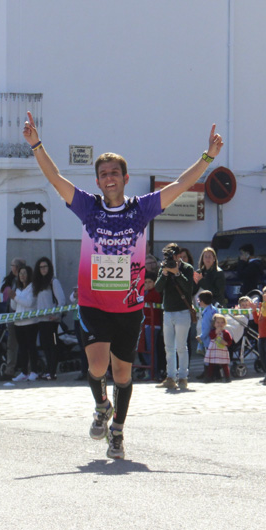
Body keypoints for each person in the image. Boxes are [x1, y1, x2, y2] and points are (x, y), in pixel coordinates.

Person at [23, 110, 222, 459]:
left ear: (125, 178)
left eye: (115, 172)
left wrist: (207, 157)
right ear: (98, 181)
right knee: (98, 368)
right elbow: (55, 178)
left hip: (129, 307)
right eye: (103, 174)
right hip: (93, 304)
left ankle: (117, 431)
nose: (109, 177)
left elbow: (180, 186)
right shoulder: (88, 207)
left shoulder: (140, 209)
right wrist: (36, 144)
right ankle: (101, 405)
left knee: (122, 373)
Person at [154, 243, 195, 391]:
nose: (171, 259)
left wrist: (177, 273)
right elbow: (158, 288)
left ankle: (183, 377)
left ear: (179, 256)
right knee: (169, 347)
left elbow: (188, 288)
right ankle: (170, 377)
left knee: (181, 347)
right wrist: (165, 273)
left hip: (182, 311)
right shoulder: (163, 267)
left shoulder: (187, 268)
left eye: (173, 256)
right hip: (168, 311)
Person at [31, 257, 66, 380]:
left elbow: (61, 299)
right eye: (40, 267)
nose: (43, 269)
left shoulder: (53, 282)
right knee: (45, 345)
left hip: (51, 320)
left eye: (45, 266)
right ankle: (48, 370)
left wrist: (57, 315)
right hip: (41, 320)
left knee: (52, 345)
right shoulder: (38, 284)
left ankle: (52, 371)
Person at [10, 265, 40, 382]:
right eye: (20, 274)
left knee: (31, 347)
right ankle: (23, 372)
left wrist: (15, 297)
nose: (22, 276)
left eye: (24, 273)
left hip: (31, 322)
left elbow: (29, 303)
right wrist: (13, 297)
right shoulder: (18, 288)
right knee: (22, 348)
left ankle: (34, 371)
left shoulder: (32, 288)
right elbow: (14, 306)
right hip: (19, 323)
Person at [203, 313, 232, 382]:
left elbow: (230, 341)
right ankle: (209, 377)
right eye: (218, 322)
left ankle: (227, 376)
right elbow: (212, 336)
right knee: (211, 364)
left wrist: (226, 343)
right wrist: (216, 332)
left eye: (222, 322)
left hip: (222, 349)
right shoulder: (213, 331)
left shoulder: (226, 332)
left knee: (224, 364)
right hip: (213, 349)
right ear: (214, 324)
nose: (220, 324)